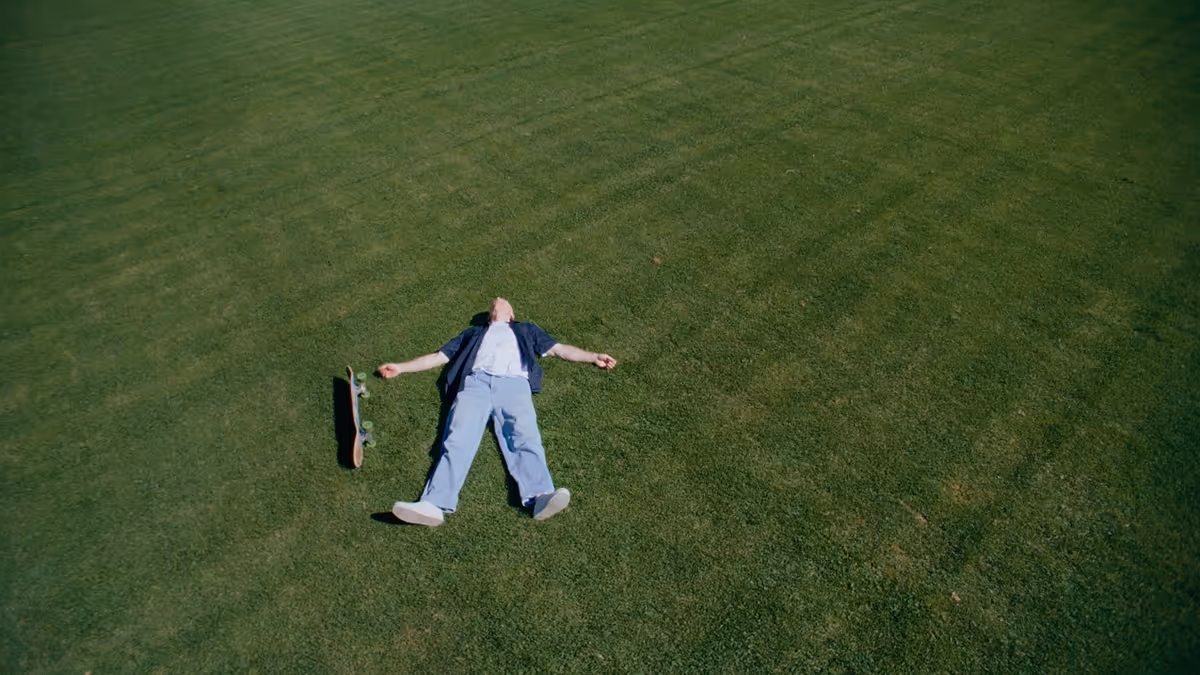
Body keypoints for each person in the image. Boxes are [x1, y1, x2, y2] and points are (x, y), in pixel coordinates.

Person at [378, 297, 617, 526]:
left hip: (514, 384)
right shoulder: (473, 333)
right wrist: (401, 367)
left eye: (503, 301)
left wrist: (592, 357)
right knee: (458, 439)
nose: (498, 298)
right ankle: (433, 504)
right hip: (475, 384)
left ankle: (541, 496)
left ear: (511, 314)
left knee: (525, 436)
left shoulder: (525, 329)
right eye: (495, 302)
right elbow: (439, 357)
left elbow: (559, 349)